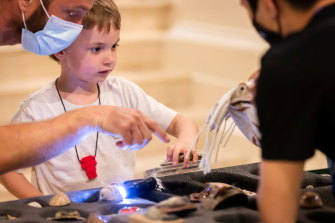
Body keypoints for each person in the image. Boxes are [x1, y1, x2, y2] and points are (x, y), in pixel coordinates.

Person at [0, 0, 199, 198]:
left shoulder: (125, 92)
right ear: (61, 49)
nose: (109, 58)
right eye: (97, 49)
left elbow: (181, 122)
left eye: (114, 46)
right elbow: (8, 169)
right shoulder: (36, 108)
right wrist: (40, 201)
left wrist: (186, 140)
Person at [240, 0, 335, 223]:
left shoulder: (289, 62)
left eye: (246, 7)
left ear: (268, 6)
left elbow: (279, 196)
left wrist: (281, 81)